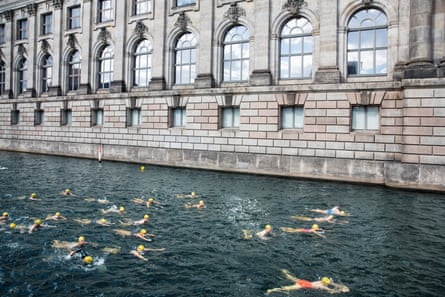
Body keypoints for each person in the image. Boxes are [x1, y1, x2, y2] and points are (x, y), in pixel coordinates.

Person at [266, 269, 349, 294]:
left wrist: (342, 287)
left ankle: (285, 272)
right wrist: (341, 290)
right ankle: (272, 290)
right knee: (287, 289)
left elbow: (332, 283)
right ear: (326, 283)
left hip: (305, 282)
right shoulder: (322, 286)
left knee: (293, 278)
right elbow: (332, 291)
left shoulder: (321, 281)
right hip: (304, 285)